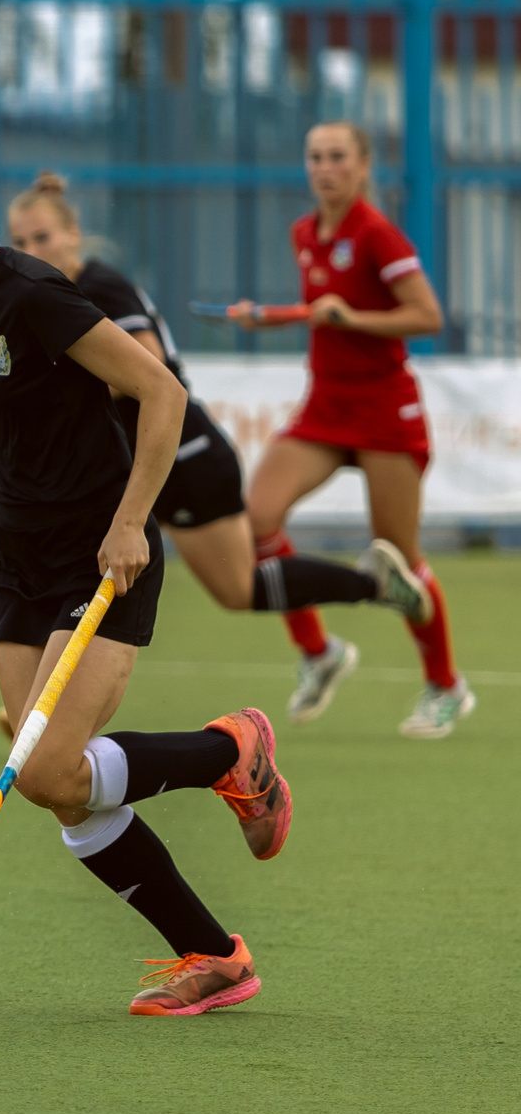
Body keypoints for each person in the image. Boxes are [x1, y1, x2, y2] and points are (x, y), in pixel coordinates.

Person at [0, 116, 288, 1019]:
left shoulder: (36, 294)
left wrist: (132, 520)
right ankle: (213, 954)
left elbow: (161, 390)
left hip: (103, 548)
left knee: (45, 768)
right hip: (21, 552)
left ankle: (234, 747)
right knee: (60, 784)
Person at [2, 172, 430, 735]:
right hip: (141, 460)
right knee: (198, 583)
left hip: (184, 451)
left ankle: (374, 587)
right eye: (22, 242)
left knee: (238, 587)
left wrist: (48, 397)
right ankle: (45, 699)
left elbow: (145, 367)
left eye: (44, 239)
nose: (35, 252)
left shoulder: (99, 289)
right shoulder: (55, 295)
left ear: (74, 235)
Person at [230, 122, 471, 737]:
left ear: (364, 166)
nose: (324, 168)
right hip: (326, 407)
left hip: (386, 411)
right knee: (257, 517)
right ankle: (320, 653)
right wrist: (274, 319)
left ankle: (447, 687)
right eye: (315, 157)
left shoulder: (377, 235)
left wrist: (353, 317)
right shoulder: (305, 232)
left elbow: (427, 315)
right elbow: (324, 312)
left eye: (338, 157)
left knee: (400, 563)